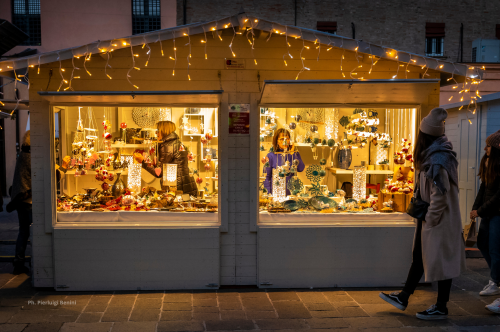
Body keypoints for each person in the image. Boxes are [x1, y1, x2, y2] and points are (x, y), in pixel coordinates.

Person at [379, 108, 465, 320]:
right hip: (431, 220)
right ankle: (404, 296)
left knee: (443, 261)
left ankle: (441, 307)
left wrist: (430, 219)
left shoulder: (437, 160)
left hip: (439, 221)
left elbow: (440, 195)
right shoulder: (434, 157)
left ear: (424, 135)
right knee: (419, 256)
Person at [470, 129, 500, 313]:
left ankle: (496, 280)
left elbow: (499, 195)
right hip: (487, 212)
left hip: (497, 212)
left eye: (488, 145)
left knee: (495, 249)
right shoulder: (487, 162)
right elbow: (484, 187)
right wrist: (475, 209)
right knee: (482, 243)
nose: (485, 148)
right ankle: (496, 278)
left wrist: (480, 210)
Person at [135, 121, 197, 196]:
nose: (156, 133)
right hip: (187, 187)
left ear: (163, 131)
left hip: (177, 190)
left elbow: (159, 173)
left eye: (157, 131)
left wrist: (143, 161)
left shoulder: (168, 146)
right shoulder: (177, 143)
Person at [6, 131, 32, 275]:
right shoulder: (30, 156)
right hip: (28, 200)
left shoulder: (23, 154)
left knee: (23, 231)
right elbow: (40, 175)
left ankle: (19, 261)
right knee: (32, 231)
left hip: (20, 199)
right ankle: (28, 261)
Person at [263, 128, 305, 195]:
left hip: (290, 193)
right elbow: (266, 177)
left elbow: (300, 168)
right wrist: (268, 193)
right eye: (282, 139)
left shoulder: (294, 153)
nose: (285, 141)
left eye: (287, 139)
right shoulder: (271, 156)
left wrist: (292, 153)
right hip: (275, 193)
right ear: (277, 141)